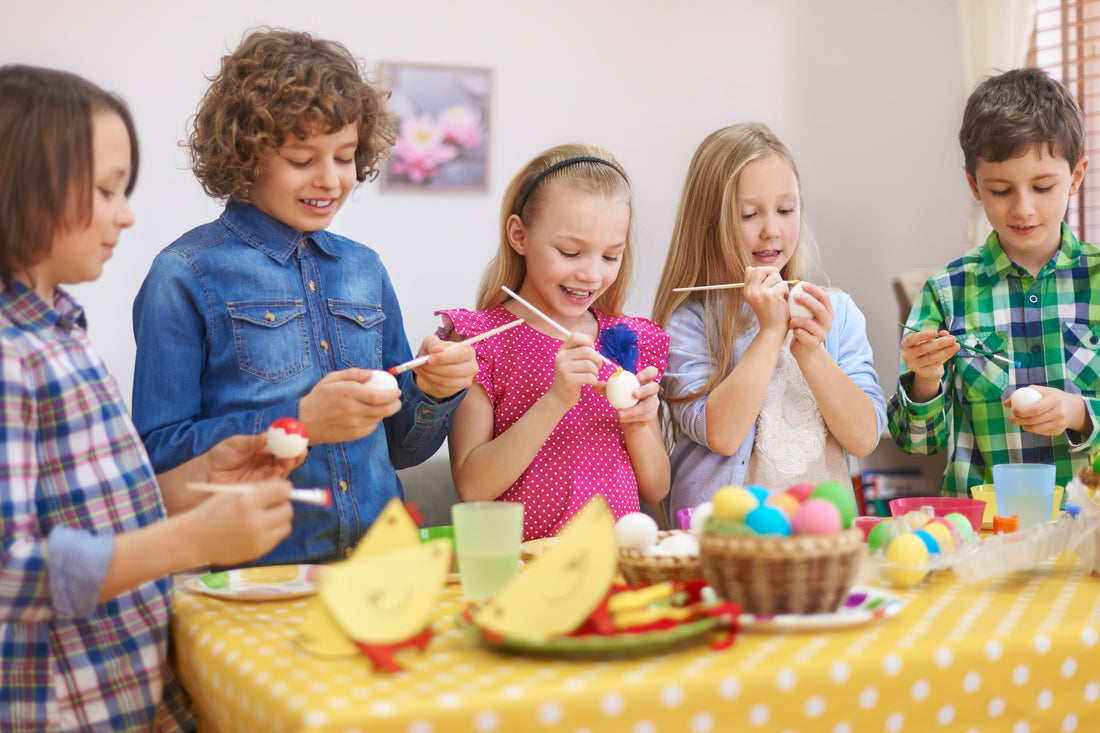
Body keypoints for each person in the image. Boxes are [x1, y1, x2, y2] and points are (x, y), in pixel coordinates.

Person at [0, 64, 296, 732]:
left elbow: (88, 511)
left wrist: (201, 481)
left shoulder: (59, 332)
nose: (126, 215)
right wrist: (186, 540)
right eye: (106, 190)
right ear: (16, 186)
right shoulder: (8, 354)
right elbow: (9, 568)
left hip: (121, 695)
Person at [131, 30, 477, 564]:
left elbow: (403, 448)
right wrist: (299, 421)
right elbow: (157, 460)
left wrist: (434, 393)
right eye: (301, 159)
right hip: (258, 578)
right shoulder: (183, 275)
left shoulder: (365, 269)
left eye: (344, 156)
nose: (331, 180)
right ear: (245, 156)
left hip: (382, 566)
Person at [654, 123, 886, 520]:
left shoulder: (838, 312)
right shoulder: (688, 322)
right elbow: (723, 435)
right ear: (708, 222)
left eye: (785, 210)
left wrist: (811, 352)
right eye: (749, 214)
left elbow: (865, 438)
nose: (771, 230)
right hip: (727, 539)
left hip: (817, 540)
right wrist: (770, 331)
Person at [440, 144, 670, 541]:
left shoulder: (628, 341)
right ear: (519, 235)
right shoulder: (481, 340)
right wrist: (555, 401)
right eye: (570, 252)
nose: (591, 274)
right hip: (522, 575)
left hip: (614, 568)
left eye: (611, 256)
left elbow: (656, 488)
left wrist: (637, 424)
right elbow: (472, 488)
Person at [888, 67, 1097, 495]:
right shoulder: (947, 292)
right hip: (983, 532)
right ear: (974, 184)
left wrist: (1080, 413)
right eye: (1001, 190)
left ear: (1076, 177)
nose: (1023, 209)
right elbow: (917, 441)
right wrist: (925, 378)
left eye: (1042, 187)